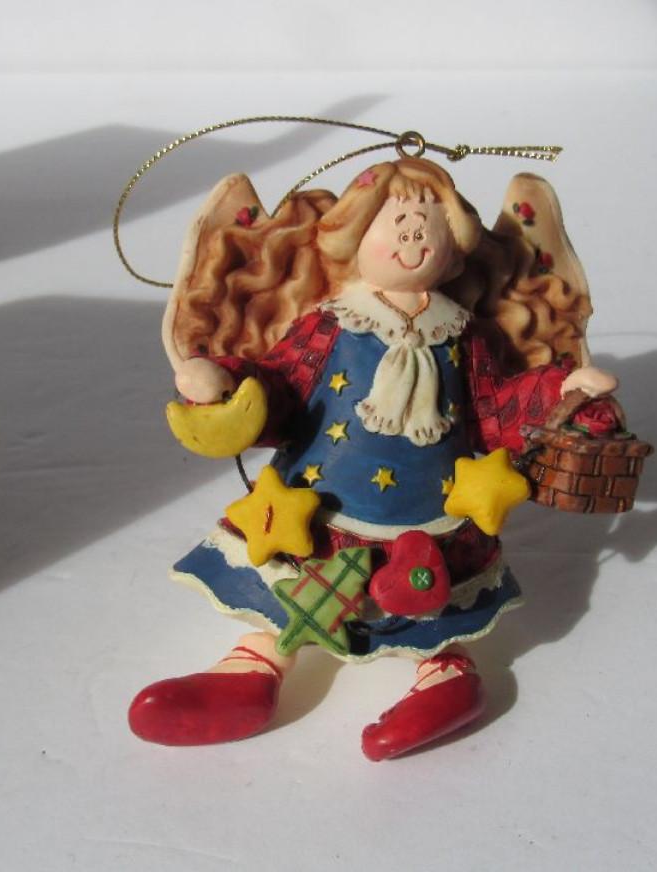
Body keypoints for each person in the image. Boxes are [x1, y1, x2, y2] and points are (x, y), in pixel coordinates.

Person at [129, 157, 616, 759]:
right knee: (289, 598)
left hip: (431, 512)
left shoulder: (464, 335)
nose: (413, 235)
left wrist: (563, 390)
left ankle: (446, 676)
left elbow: (496, 407)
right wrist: (224, 383)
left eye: (429, 223)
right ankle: (250, 673)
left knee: (432, 601)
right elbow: (281, 386)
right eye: (398, 222)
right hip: (317, 508)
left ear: (455, 248)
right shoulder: (331, 324)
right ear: (354, 237)